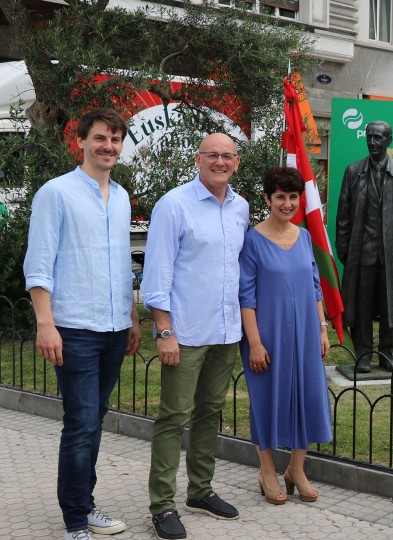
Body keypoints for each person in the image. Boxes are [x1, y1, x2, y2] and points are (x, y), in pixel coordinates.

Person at [24, 108, 140, 540]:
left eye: (114, 139)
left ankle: (85, 505)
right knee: (81, 422)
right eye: (99, 138)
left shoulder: (123, 196)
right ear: (81, 142)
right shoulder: (55, 193)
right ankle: (75, 521)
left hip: (113, 329)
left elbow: (121, 265)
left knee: (94, 419)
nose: (108, 146)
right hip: (73, 328)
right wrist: (45, 323)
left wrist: (130, 316)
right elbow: (38, 265)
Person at [142, 133, 249, 540]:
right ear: (198, 159)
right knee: (173, 417)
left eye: (227, 156)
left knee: (209, 414)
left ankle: (200, 491)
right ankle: (163, 505)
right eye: (212, 156)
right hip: (184, 332)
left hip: (225, 331)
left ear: (236, 162)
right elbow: (157, 274)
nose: (220, 162)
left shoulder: (240, 207)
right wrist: (164, 330)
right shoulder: (173, 205)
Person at [239, 167, 333, 505]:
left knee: (308, 397)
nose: (288, 203)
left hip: (306, 333)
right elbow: (245, 296)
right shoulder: (252, 239)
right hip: (267, 336)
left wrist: (322, 329)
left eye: (293, 197)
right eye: (281, 196)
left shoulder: (305, 236)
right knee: (266, 401)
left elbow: (313, 285)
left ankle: (296, 469)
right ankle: (267, 471)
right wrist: (254, 343)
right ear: (267, 198)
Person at [336, 120, 393, 373]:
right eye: (370, 137)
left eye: (378, 138)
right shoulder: (353, 171)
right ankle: (362, 354)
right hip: (362, 253)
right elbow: (343, 216)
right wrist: (344, 249)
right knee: (361, 307)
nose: (373, 142)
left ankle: (389, 354)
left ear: (388, 141)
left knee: (390, 308)